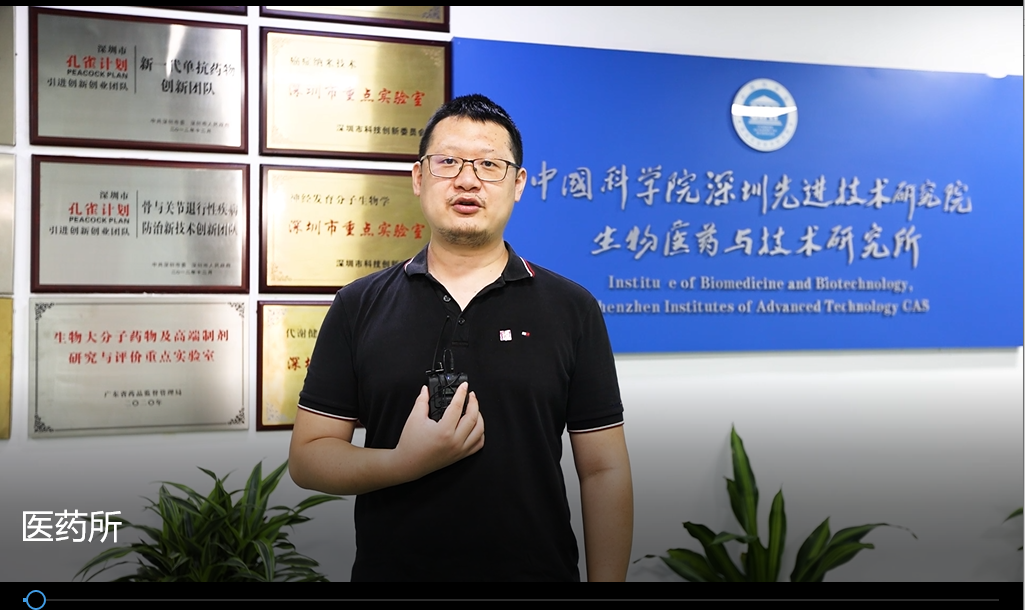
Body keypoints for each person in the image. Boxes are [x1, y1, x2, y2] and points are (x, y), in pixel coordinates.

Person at [289, 94, 633, 582]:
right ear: (418, 177)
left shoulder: (572, 308)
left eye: (489, 165)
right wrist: (403, 463)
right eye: (448, 161)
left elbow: (603, 470)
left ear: (518, 184)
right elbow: (308, 457)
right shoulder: (358, 304)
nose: (467, 180)